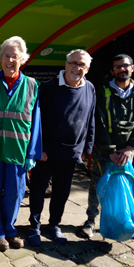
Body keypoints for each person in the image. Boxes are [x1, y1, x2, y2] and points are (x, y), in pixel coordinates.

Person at [0, 36, 42, 251]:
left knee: (15, 194)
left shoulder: (32, 85)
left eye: (15, 56)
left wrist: (32, 153)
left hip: (18, 151)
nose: (10, 60)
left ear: (22, 59)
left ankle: (10, 230)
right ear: (0, 58)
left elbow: (36, 123)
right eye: (6, 55)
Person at [28, 49, 96, 246]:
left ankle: (54, 225)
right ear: (65, 65)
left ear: (87, 69)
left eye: (81, 65)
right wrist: (38, 149)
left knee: (62, 192)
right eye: (73, 63)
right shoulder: (48, 88)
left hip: (71, 152)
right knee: (38, 190)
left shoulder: (90, 88)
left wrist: (87, 148)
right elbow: (37, 122)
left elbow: (91, 119)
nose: (77, 68)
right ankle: (34, 226)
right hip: (46, 153)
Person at [79, 54, 134, 239]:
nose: (122, 69)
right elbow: (98, 122)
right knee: (97, 186)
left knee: (126, 187)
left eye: (125, 66)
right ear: (112, 71)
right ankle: (90, 221)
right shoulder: (102, 93)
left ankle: (124, 220)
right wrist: (110, 150)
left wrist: (130, 148)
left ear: (132, 68)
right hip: (104, 152)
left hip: (127, 153)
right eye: (117, 67)